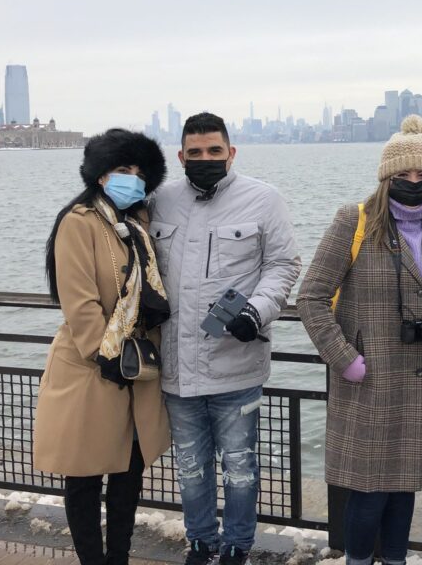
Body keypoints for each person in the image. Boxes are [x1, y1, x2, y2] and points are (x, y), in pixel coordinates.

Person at [298, 116, 422, 565]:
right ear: (386, 177)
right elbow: (311, 297)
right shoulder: (355, 221)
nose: (413, 182)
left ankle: (397, 561)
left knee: (405, 490)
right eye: (403, 174)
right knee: (368, 493)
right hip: (369, 382)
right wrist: (344, 358)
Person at [149, 112, 301, 565]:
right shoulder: (160, 201)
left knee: (240, 468)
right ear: (181, 157)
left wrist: (257, 310)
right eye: (195, 152)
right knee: (190, 468)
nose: (205, 158)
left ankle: (237, 546)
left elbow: (284, 264)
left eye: (214, 150)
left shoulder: (265, 199)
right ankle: (200, 542)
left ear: (231, 152)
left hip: (237, 366)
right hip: (177, 370)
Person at [35, 128, 172, 565]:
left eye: (139, 171)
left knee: (128, 474)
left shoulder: (139, 222)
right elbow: (80, 302)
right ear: (100, 175)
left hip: (137, 367)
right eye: (122, 169)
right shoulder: (79, 222)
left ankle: (119, 558)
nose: (132, 178)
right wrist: (105, 354)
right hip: (89, 368)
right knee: (85, 477)